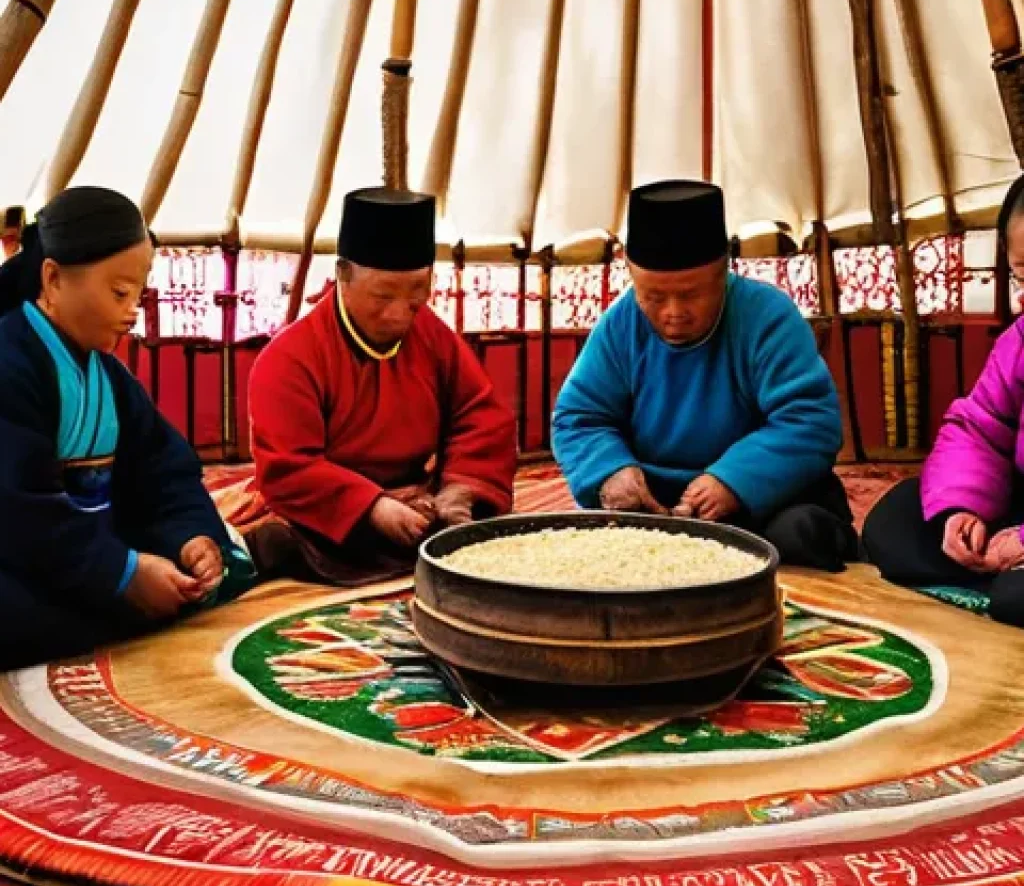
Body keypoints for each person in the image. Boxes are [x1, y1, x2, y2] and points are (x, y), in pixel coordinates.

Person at [0, 186, 254, 671]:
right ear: (52, 280)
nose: (133, 309)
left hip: (81, 559)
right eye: (119, 292)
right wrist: (123, 572)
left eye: (139, 292)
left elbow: (163, 472)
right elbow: (20, 512)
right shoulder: (9, 363)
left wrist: (191, 538)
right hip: (23, 553)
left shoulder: (110, 377)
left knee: (201, 572)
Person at [552, 179, 856, 571]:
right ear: (632, 274)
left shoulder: (767, 316)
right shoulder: (619, 325)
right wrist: (609, 471)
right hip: (660, 510)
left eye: (692, 294)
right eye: (654, 296)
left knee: (795, 539)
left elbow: (811, 421)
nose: (673, 312)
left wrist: (732, 482)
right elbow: (579, 418)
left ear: (723, 273)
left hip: (764, 502)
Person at [245, 186, 517, 586]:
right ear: (342, 275)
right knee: (279, 542)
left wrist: (460, 490)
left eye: (416, 294)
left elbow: (480, 414)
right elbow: (290, 467)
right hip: (335, 513)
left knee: (477, 539)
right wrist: (373, 508)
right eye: (382, 295)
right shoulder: (289, 357)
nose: (397, 314)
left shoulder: (430, 334)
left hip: (420, 502)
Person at [863, 174, 1024, 624]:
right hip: (1017, 504)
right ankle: (995, 574)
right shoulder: (1019, 343)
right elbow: (980, 429)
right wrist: (963, 509)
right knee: (893, 524)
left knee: (1017, 599)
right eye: (1021, 276)